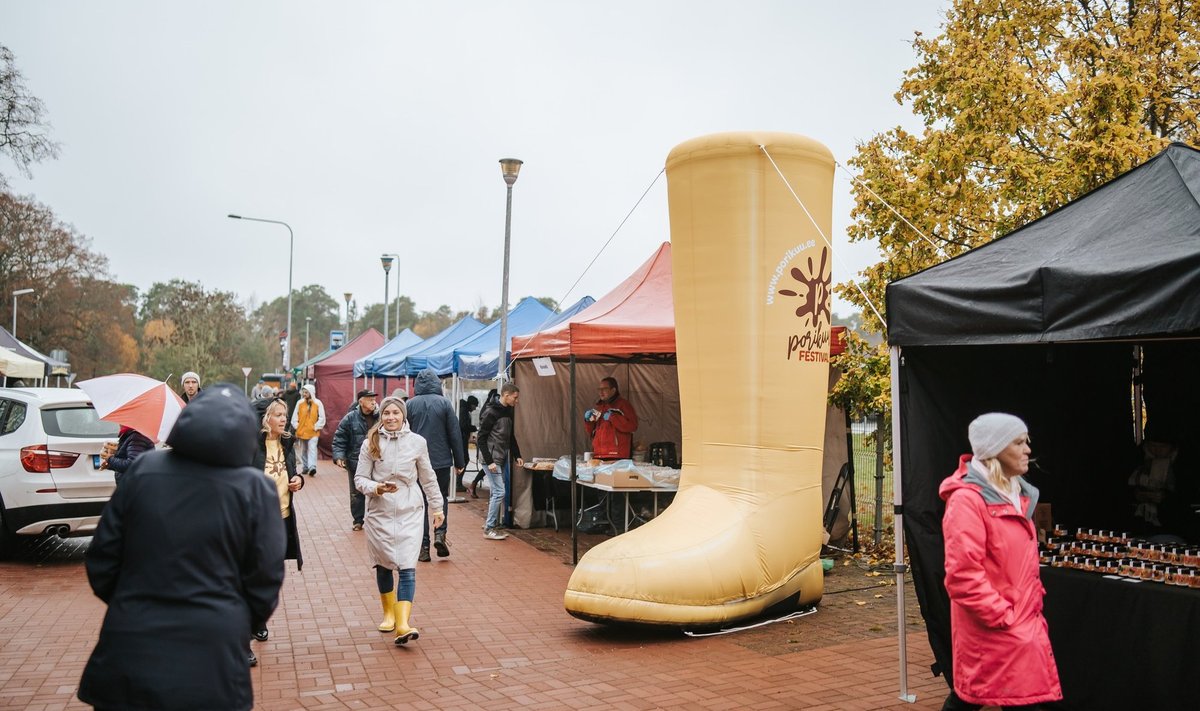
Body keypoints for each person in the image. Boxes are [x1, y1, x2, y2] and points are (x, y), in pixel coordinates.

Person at [78, 383, 285, 711]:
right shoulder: (255, 489)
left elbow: (102, 559)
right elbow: (265, 578)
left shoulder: (145, 471)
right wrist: (235, 621)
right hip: (213, 658)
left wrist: (133, 601)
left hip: (130, 649)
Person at [938, 413, 1062, 711]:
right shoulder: (967, 501)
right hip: (996, 628)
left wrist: (1024, 609)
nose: (1028, 450)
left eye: (1026, 441)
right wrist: (1004, 617)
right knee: (975, 698)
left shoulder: (1016, 495)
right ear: (995, 448)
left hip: (1019, 626)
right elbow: (963, 577)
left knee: (1004, 698)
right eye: (1019, 442)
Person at [353, 396, 444, 645]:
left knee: (407, 565)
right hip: (379, 511)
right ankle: (388, 613)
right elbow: (359, 479)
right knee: (383, 564)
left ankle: (403, 624)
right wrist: (377, 487)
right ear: (380, 416)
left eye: (395, 413)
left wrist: (437, 507)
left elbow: (428, 477)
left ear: (404, 416)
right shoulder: (369, 443)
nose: (391, 417)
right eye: (386, 413)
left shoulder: (417, 442)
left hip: (410, 509)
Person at [248, 398, 305, 648]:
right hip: (256, 521)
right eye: (278, 415)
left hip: (281, 517)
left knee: (270, 575)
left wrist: (298, 480)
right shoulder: (251, 447)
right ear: (265, 418)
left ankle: (258, 618)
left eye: (285, 414)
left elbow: (292, 472)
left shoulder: (287, 442)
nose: (283, 419)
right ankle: (252, 624)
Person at [405, 368, 466, 560]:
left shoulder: (410, 405)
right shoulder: (445, 403)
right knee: (441, 499)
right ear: (436, 384)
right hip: (441, 461)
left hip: (416, 462)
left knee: (420, 503)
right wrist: (459, 461)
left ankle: (423, 548)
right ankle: (440, 534)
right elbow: (454, 434)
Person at [479, 382, 522, 540]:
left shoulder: (508, 411)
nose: (516, 401)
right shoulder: (491, 412)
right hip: (491, 458)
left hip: (500, 457)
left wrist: (517, 455)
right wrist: (489, 461)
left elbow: (510, 435)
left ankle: (492, 524)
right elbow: (481, 438)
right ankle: (489, 527)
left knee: (496, 492)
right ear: (506, 395)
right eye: (515, 398)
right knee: (499, 491)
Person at [333, 389, 379, 531]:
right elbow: (339, 438)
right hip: (355, 461)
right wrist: (339, 456)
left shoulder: (380, 417)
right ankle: (358, 520)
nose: (373, 402)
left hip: (377, 460)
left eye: (374, 399)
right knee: (356, 493)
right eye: (369, 399)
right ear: (361, 402)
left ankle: (376, 519)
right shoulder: (350, 418)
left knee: (377, 490)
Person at [583, 376, 639, 460]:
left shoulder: (623, 405)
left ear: (613, 390)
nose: (601, 392)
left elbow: (632, 426)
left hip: (617, 456)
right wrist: (588, 421)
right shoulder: (599, 407)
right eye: (599, 389)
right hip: (599, 454)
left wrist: (613, 417)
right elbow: (591, 432)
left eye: (604, 389)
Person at [467, 389, 499, 498]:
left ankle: (473, 484)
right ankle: (473, 484)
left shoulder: (487, 407)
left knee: (488, 468)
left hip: (490, 445)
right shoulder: (489, 410)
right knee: (489, 466)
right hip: (490, 445)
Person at [291, 383, 325, 477]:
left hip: (313, 431)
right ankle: (305, 467)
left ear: (311, 392)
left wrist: (316, 426)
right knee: (304, 450)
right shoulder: (300, 403)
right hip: (302, 431)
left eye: (306, 392)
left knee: (312, 448)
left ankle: (312, 467)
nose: (304, 394)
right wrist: (297, 426)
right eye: (303, 392)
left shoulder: (318, 403)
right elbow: (295, 416)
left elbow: (322, 417)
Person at [459, 395, 479, 496]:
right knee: (464, 459)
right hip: (461, 439)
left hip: (462, 438)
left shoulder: (463, 409)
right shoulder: (463, 411)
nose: (475, 408)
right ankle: (458, 483)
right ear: (471, 404)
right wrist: (473, 428)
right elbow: (463, 425)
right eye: (475, 406)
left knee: (464, 460)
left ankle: (458, 482)